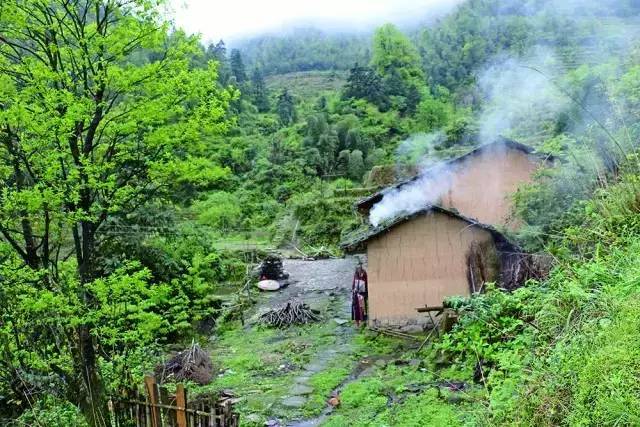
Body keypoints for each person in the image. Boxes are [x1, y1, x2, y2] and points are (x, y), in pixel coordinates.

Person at [351, 262, 368, 327]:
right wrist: (353, 290)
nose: (359, 269)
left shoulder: (364, 274)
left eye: (360, 268)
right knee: (355, 308)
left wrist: (366, 293)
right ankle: (357, 322)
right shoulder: (355, 274)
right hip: (356, 293)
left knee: (362, 307)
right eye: (358, 268)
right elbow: (353, 283)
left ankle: (362, 321)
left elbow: (366, 284)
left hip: (362, 293)